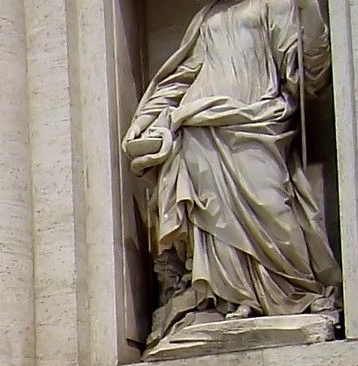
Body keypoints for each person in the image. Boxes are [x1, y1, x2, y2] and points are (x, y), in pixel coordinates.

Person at [125, 0, 339, 345]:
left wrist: (310, 11)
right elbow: (180, 77)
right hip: (199, 127)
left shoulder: (276, 3)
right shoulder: (207, 16)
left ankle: (293, 290)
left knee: (273, 208)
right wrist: (146, 120)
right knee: (213, 216)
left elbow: (305, 75)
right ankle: (231, 299)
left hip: (256, 120)